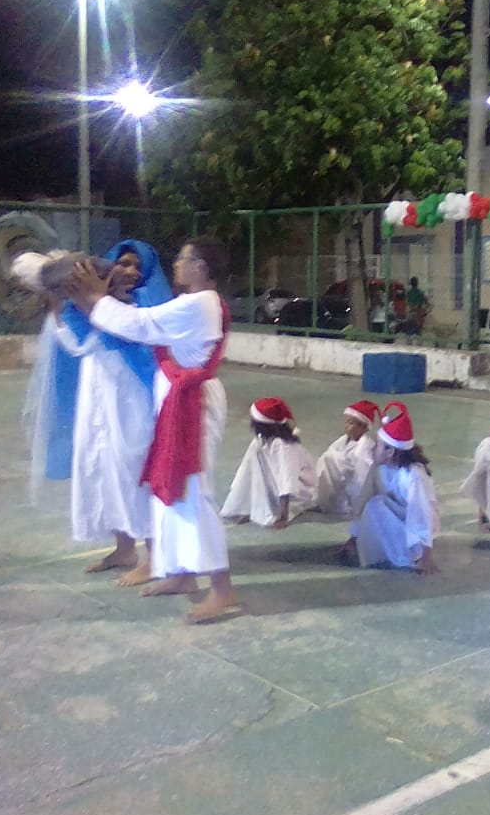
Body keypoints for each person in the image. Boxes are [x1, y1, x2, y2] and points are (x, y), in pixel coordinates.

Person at [69, 236, 238, 624]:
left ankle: (222, 588)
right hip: (178, 404)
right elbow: (141, 324)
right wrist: (93, 299)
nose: (175, 264)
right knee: (170, 493)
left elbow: (139, 325)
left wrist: (94, 297)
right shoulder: (193, 301)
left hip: (192, 407)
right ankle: (182, 575)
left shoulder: (199, 304)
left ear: (200, 267)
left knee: (193, 494)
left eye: (182, 258)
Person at [52, 240, 172, 579]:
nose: (130, 271)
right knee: (104, 466)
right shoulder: (90, 305)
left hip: (135, 399)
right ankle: (124, 549)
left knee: (137, 468)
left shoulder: (148, 305)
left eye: (137, 266)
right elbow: (77, 344)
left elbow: (137, 340)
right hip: (99, 396)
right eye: (123, 263)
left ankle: (155, 556)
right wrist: (61, 307)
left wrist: (95, 302)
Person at [337, 402, 439, 574]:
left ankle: (410, 553)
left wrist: (426, 556)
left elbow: (421, 514)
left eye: (377, 445)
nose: (373, 448)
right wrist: (353, 538)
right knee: (374, 504)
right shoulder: (379, 468)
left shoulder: (413, 476)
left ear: (390, 451)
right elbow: (364, 498)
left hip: (416, 525)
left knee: (377, 504)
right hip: (397, 516)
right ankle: (395, 549)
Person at [221, 397, 317, 528]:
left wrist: (284, 517)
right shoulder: (261, 439)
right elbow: (248, 469)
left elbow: (287, 479)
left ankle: (278, 510)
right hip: (277, 486)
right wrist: (243, 503)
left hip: (298, 491)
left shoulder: (283, 446)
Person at [315, 400, 379, 515]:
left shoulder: (365, 447)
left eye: (351, 423)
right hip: (338, 485)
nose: (347, 426)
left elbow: (363, 475)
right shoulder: (343, 440)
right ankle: (322, 498)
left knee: (329, 459)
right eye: (346, 422)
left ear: (363, 428)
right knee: (326, 458)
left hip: (349, 489)